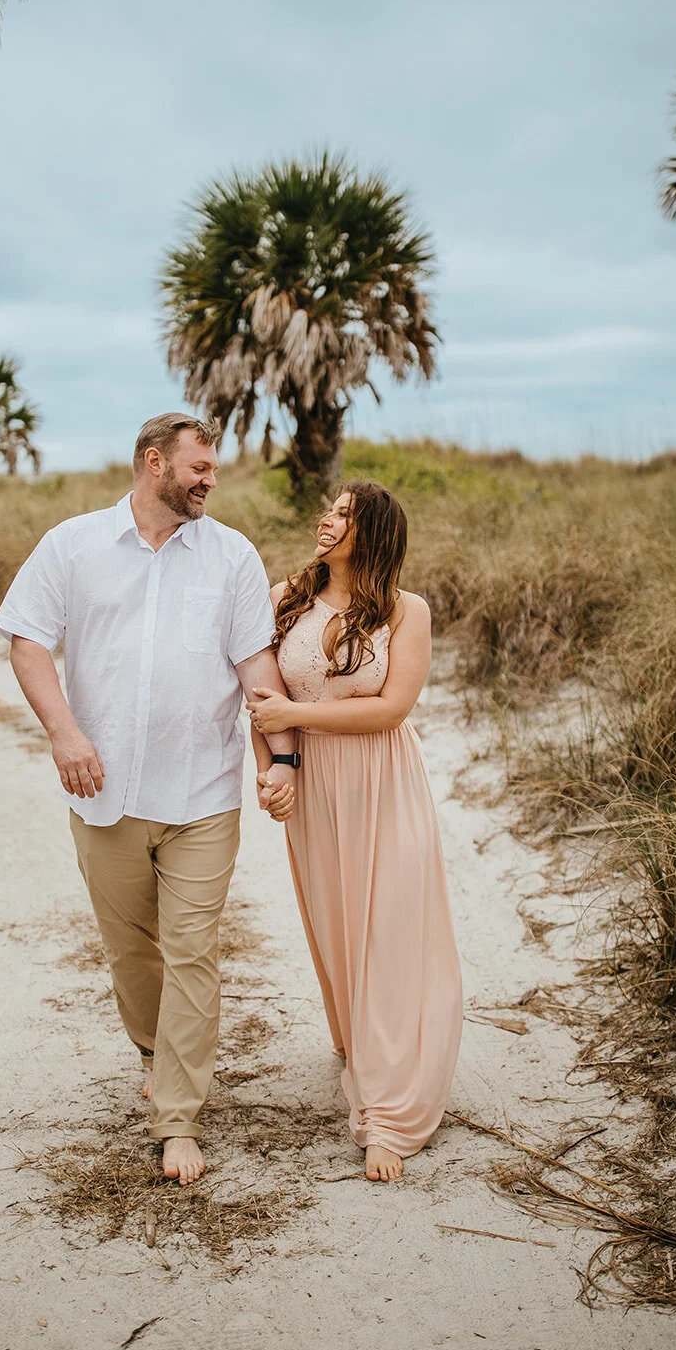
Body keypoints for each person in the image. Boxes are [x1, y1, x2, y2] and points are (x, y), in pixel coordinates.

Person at [0, 413, 298, 1185]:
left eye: (213, 467)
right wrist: (64, 734)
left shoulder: (230, 555)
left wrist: (283, 757)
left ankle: (177, 1118)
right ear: (154, 463)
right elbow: (27, 638)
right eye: (198, 466)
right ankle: (153, 1055)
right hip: (104, 794)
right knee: (132, 952)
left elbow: (255, 666)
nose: (210, 478)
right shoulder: (73, 544)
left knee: (193, 951)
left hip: (201, 793)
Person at [247, 479, 462, 1182]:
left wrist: (293, 720)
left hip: (383, 781)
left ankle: (388, 1112)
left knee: (390, 929)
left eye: (342, 514)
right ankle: (360, 1046)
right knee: (339, 923)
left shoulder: (406, 612)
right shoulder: (287, 598)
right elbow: (257, 699)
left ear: (372, 532)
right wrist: (276, 768)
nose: (326, 519)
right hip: (314, 788)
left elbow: (390, 709)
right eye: (329, 509)